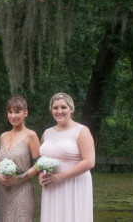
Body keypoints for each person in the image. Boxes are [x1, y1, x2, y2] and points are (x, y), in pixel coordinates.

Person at [39, 92, 95, 222]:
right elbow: (41, 160)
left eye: (63, 107)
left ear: (71, 109)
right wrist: (41, 174)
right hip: (51, 185)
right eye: (55, 108)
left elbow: (89, 162)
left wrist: (59, 177)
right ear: (51, 110)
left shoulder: (82, 131)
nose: (59, 111)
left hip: (74, 184)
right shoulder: (47, 133)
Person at [0, 95, 40, 222]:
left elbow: (39, 164)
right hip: (3, 192)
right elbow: (0, 163)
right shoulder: (3, 136)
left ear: (25, 113)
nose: (13, 116)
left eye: (17, 111)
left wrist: (18, 178)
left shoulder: (30, 135)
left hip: (22, 190)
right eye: (10, 112)